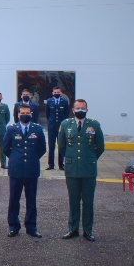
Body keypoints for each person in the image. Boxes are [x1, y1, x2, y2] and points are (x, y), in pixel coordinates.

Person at [59, 99, 104, 242]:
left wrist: (90, 159)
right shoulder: (65, 124)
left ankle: (87, 230)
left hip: (88, 169)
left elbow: (100, 146)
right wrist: (71, 159)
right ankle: (72, 229)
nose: (80, 110)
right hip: (72, 168)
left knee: (88, 201)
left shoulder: (94, 125)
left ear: (87, 110)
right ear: (73, 110)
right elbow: (62, 146)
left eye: (83, 108)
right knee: (73, 200)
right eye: (77, 108)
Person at [3, 104, 46, 238]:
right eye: (22, 113)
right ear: (18, 114)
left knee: (31, 200)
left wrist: (32, 159)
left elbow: (42, 149)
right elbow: (6, 148)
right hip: (16, 169)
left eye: (27, 113)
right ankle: (13, 226)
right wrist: (16, 158)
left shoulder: (37, 129)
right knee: (14, 199)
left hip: (31, 169)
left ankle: (31, 227)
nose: (25, 115)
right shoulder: (11, 129)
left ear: (31, 114)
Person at [45, 87, 69, 170]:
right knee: (51, 146)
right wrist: (50, 123)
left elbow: (66, 114)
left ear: (61, 93)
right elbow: (47, 114)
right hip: (51, 127)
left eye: (58, 92)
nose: (56, 94)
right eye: (55, 92)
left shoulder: (65, 102)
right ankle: (51, 164)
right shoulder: (49, 101)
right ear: (52, 93)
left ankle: (61, 164)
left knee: (61, 146)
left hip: (61, 127)